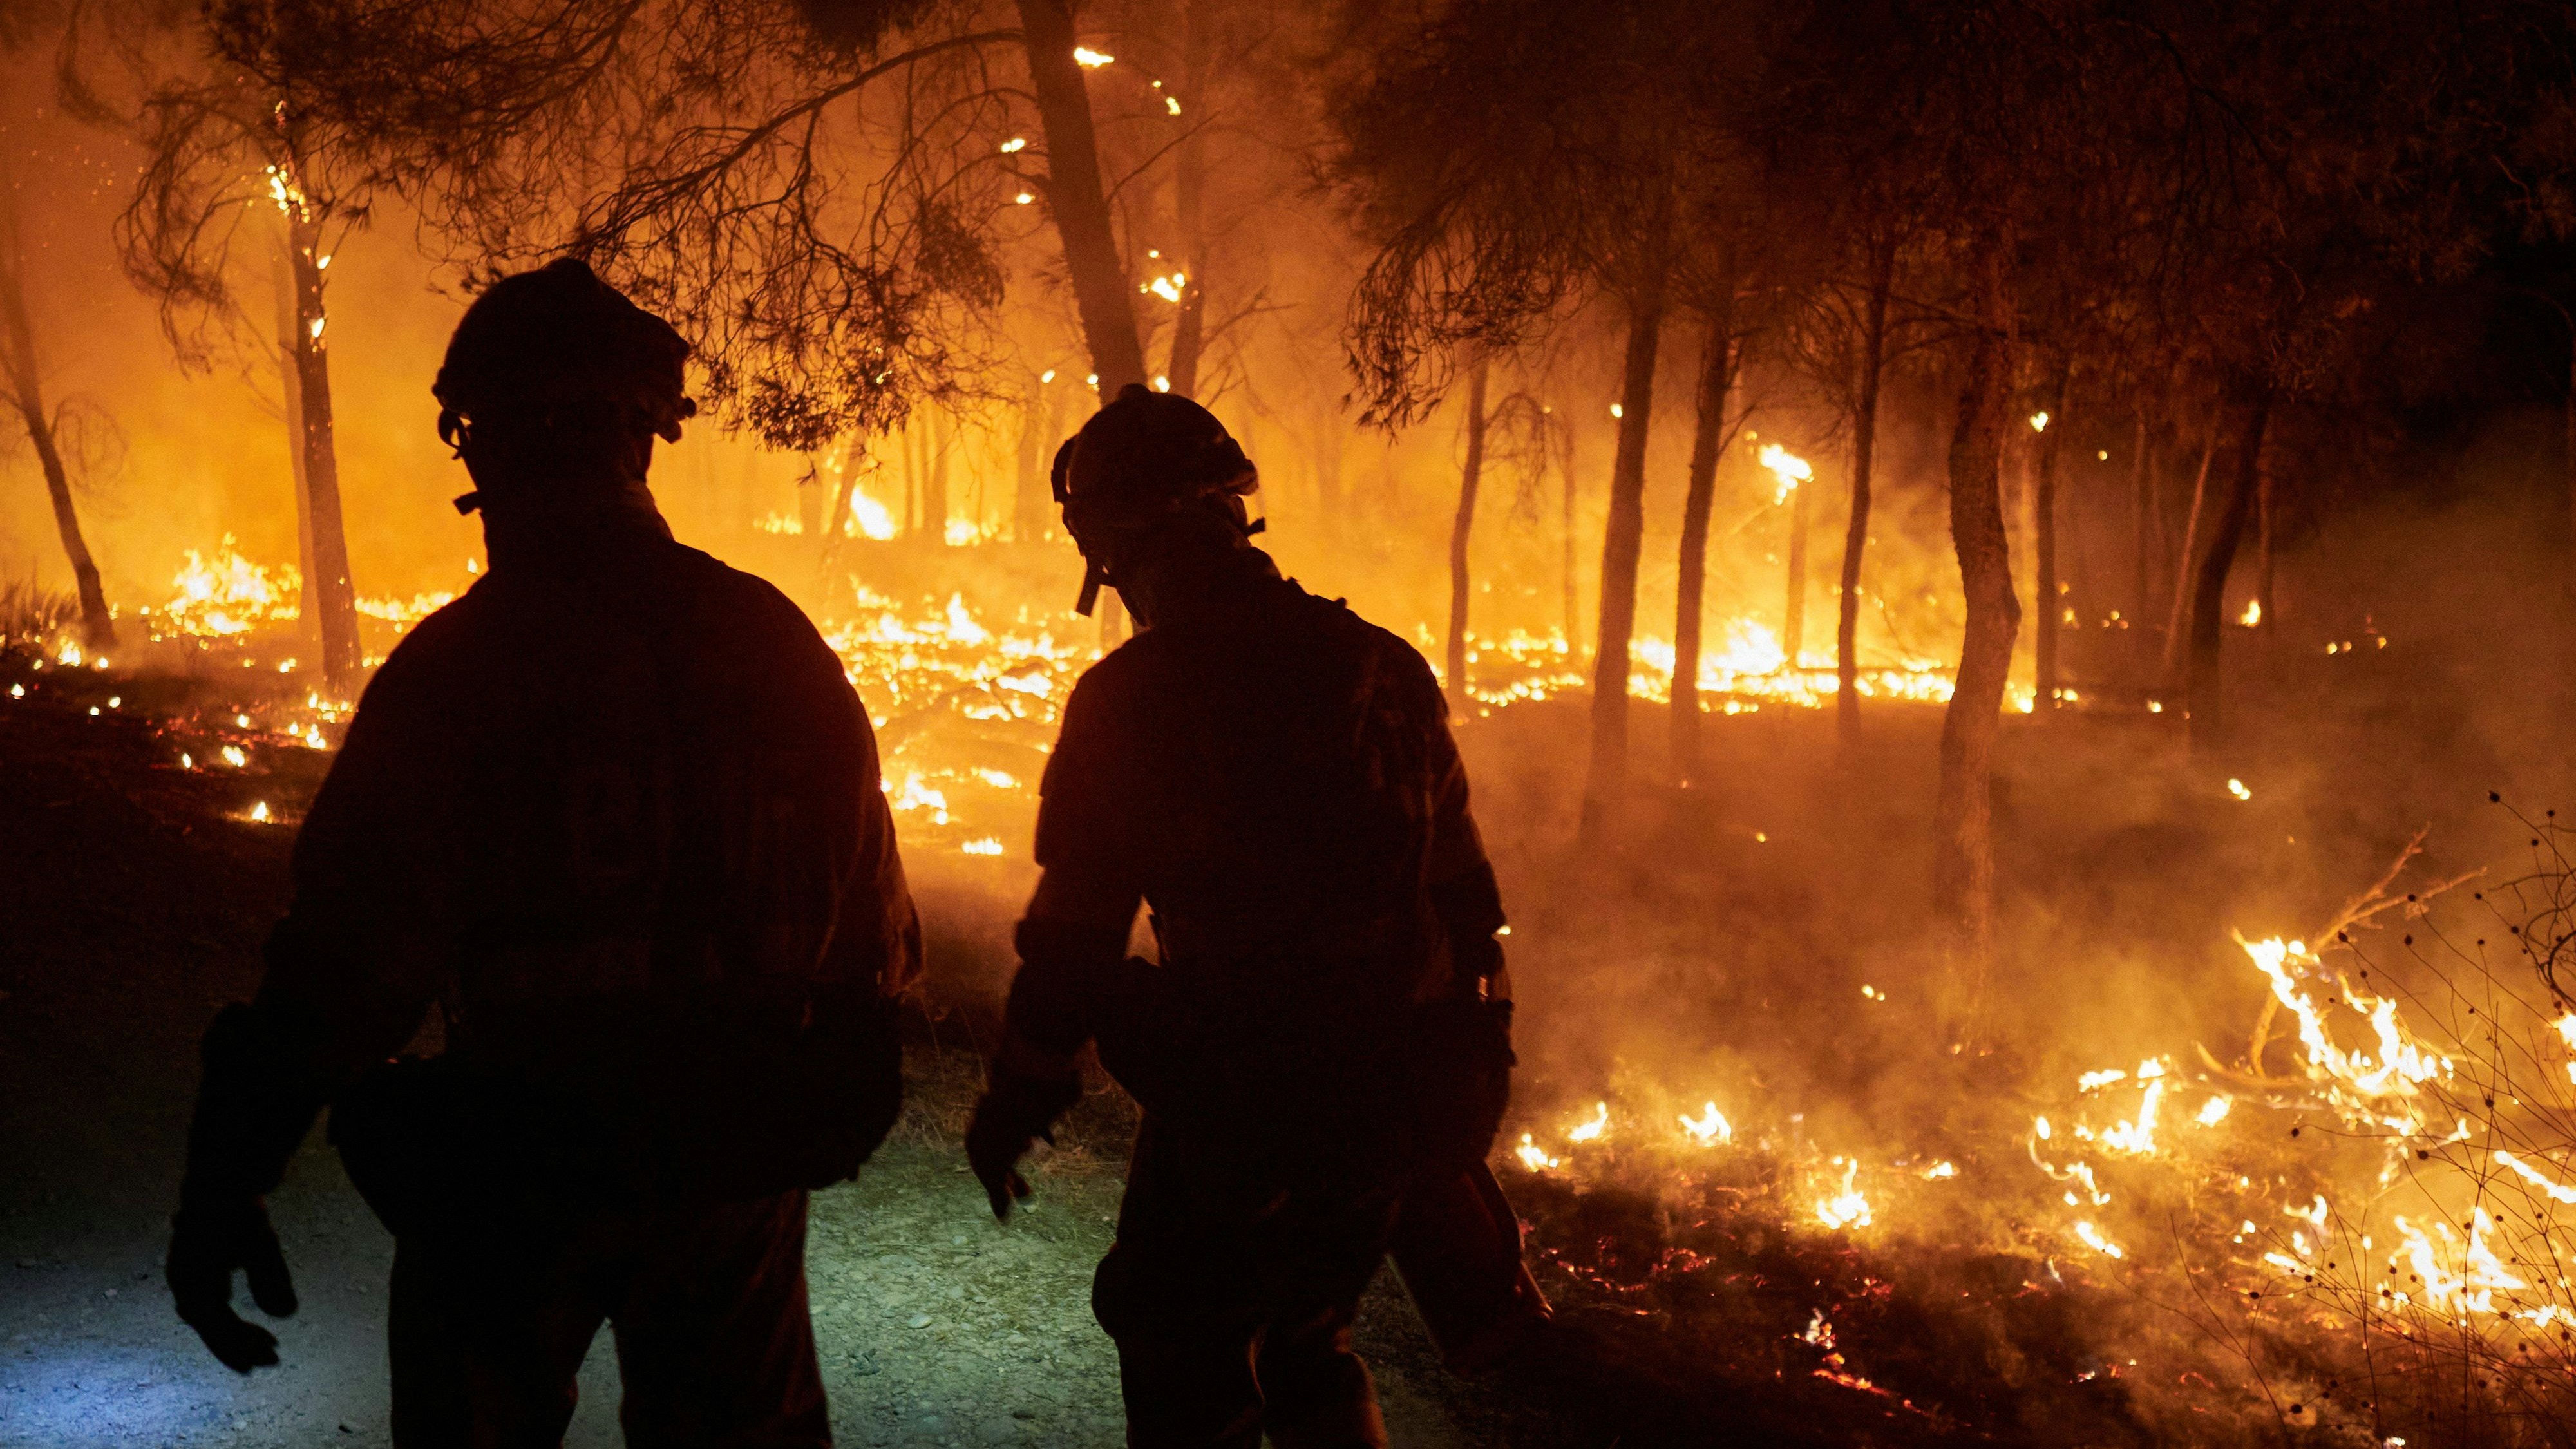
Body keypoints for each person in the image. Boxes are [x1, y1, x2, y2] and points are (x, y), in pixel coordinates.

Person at [165, 258, 921, 1447]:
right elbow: (876, 943)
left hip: (513, 1173)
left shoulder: (461, 673)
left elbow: (341, 973)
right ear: (645, 439)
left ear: (478, 446)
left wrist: (228, 1176)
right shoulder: (774, 646)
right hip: (731, 1165)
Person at [965, 384, 1524, 1449]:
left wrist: (1020, 1092)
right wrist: (1468, 1059)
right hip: (1390, 1098)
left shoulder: (1136, 697)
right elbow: (1469, 900)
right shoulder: (1387, 668)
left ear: (1127, 541)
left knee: (1181, 1336)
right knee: (1312, 1334)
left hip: (1238, 1104)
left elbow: (1077, 934)